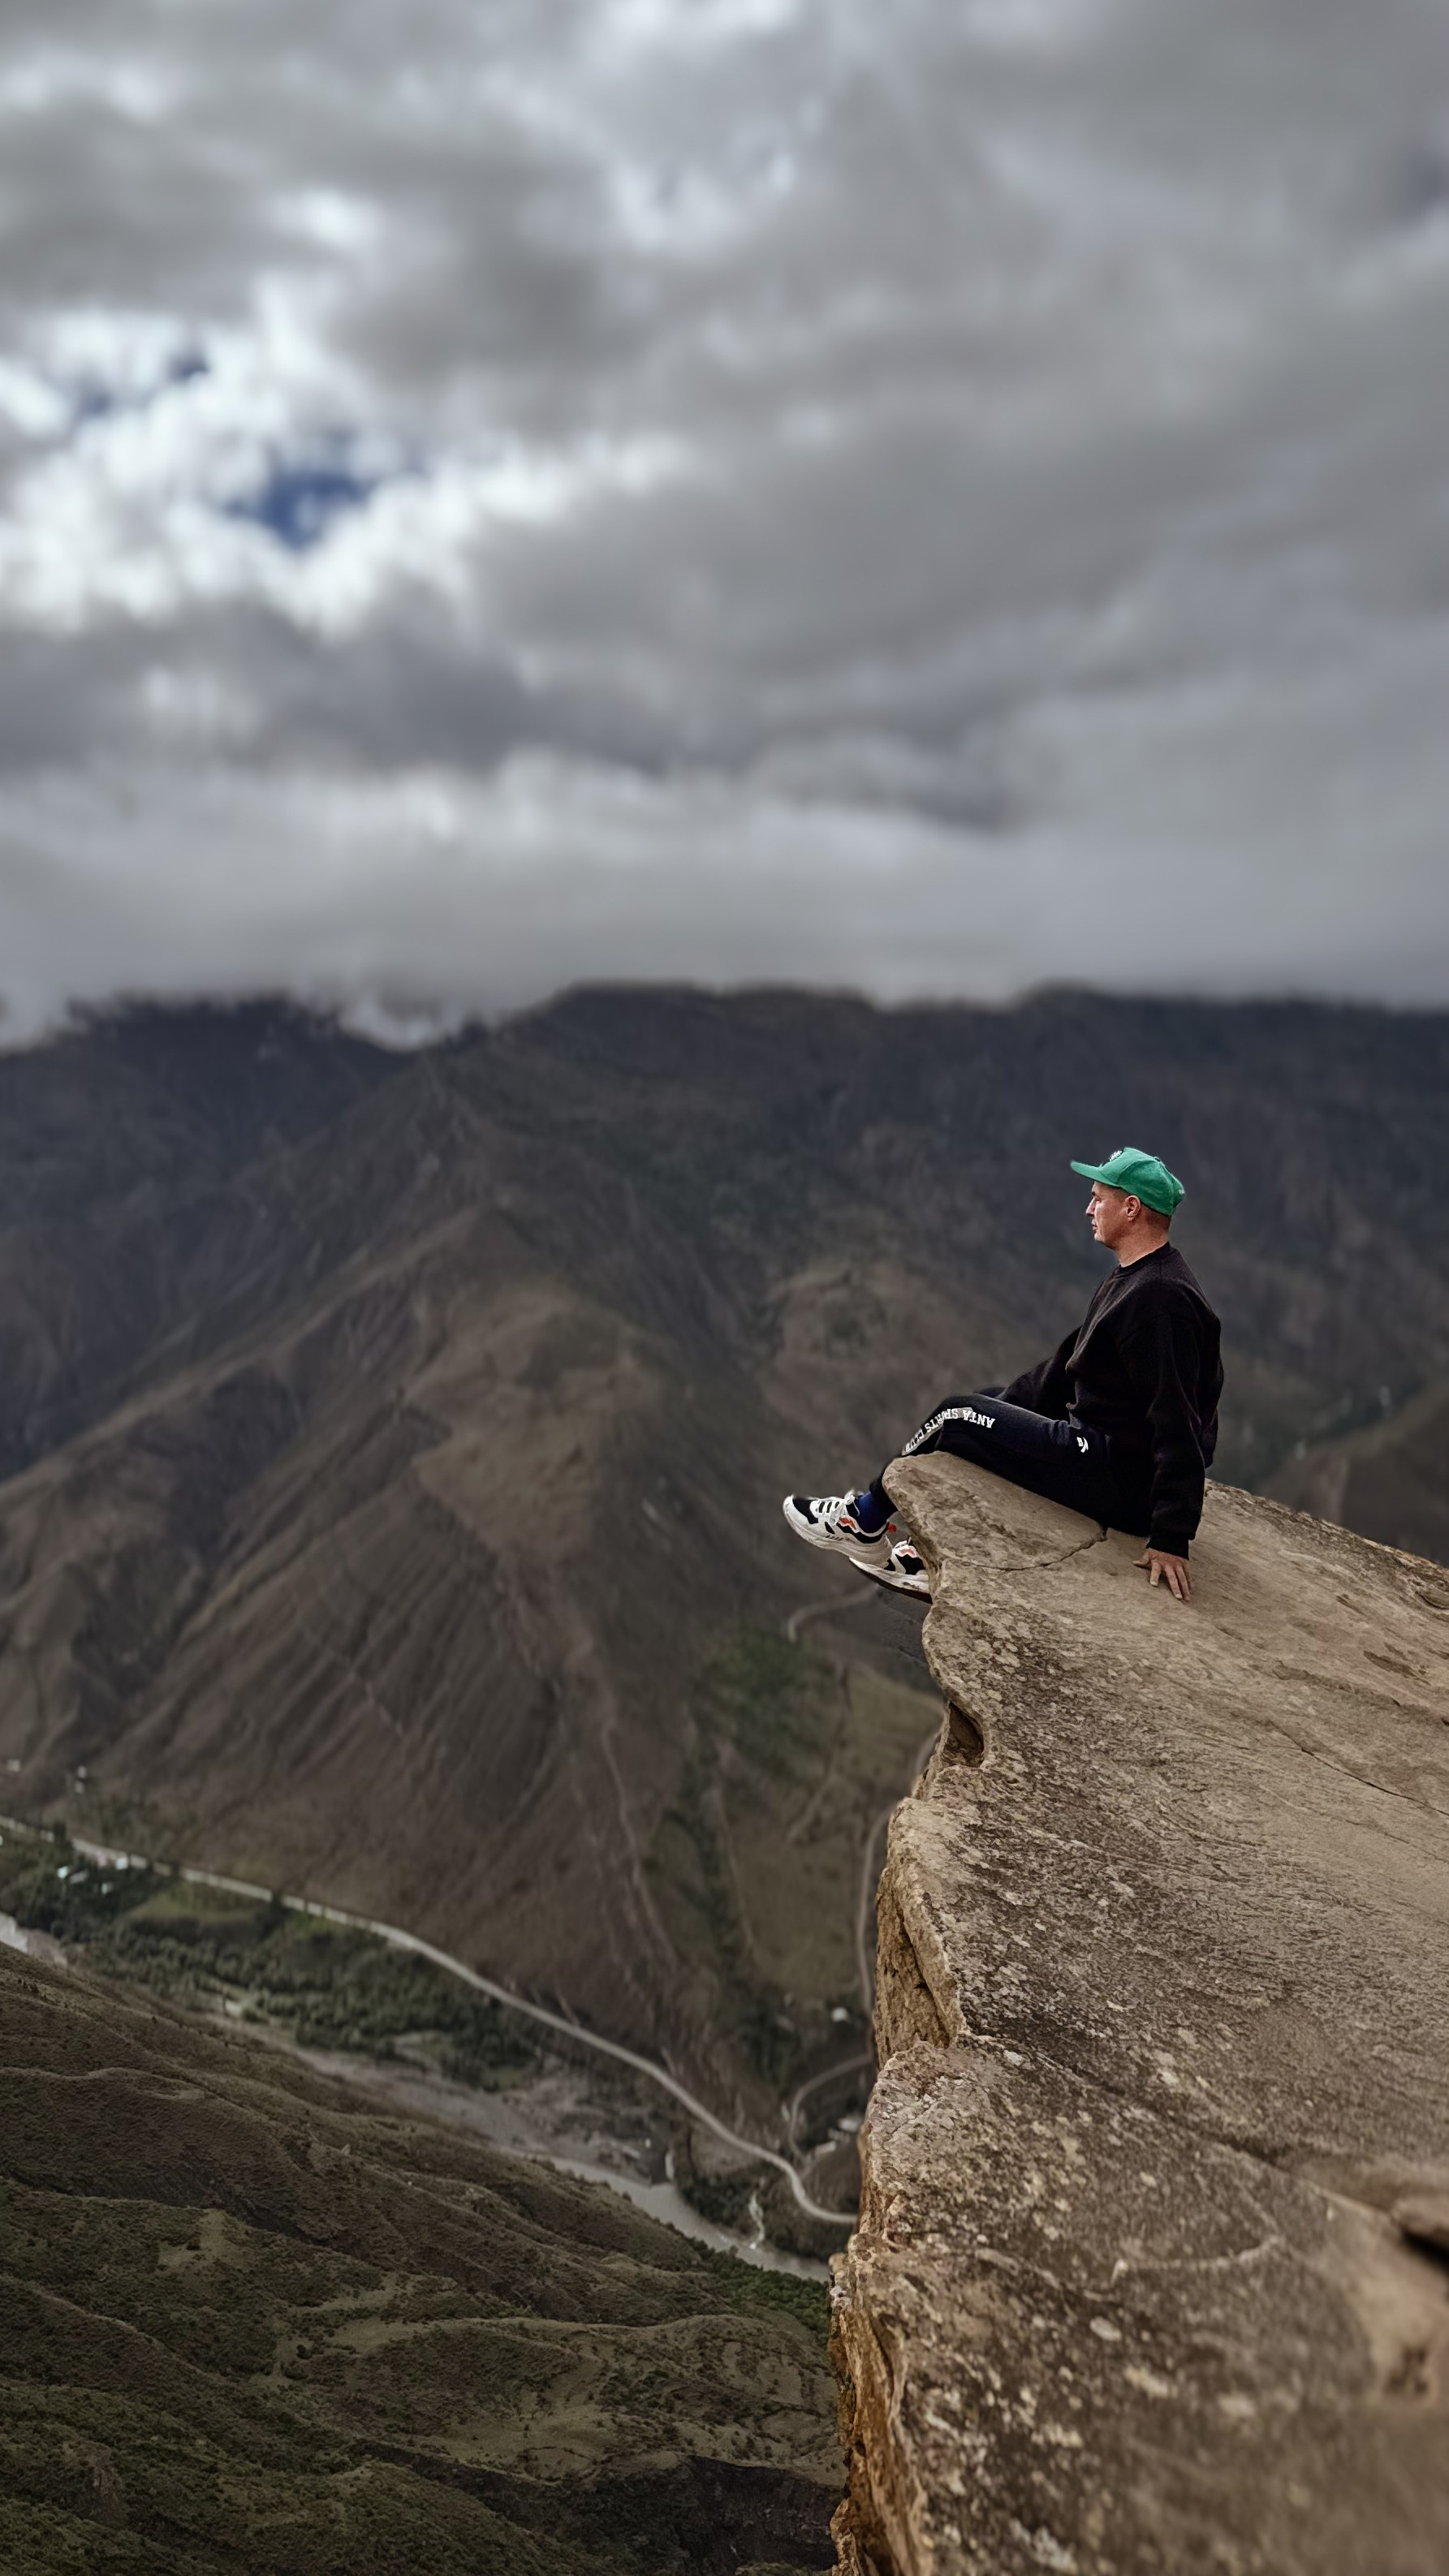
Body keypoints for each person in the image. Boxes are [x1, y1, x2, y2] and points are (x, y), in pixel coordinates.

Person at [783, 1148, 1222, 1604]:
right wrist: (1004, 1410)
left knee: (956, 1415)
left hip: (1120, 1479)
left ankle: (864, 1521)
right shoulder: (1138, 1277)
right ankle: (927, 1550)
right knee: (983, 1408)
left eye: (1098, 1198)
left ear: (1131, 1208)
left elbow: (1179, 1421)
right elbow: (1070, 1368)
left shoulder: (1161, 1301)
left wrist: (1172, 1536)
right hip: (1103, 1452)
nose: (1089, 1209)